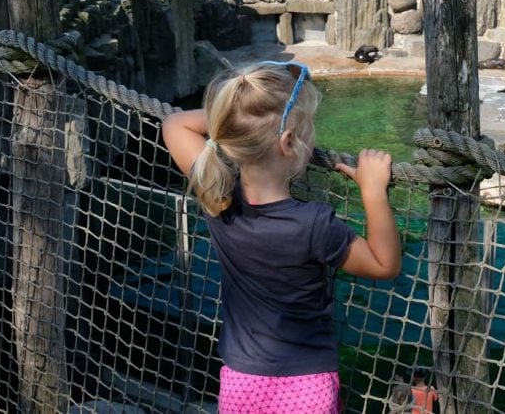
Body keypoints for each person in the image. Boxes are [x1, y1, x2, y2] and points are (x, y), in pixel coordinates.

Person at [162, 60, 402, 414]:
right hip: (306, 385)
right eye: (307, 130)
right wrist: (373, 190)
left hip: (241, 381)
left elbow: (174, 124)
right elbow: (385, 265)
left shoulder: (218, 199)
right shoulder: (315, 224)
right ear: (288, 142)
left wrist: (238, 110)